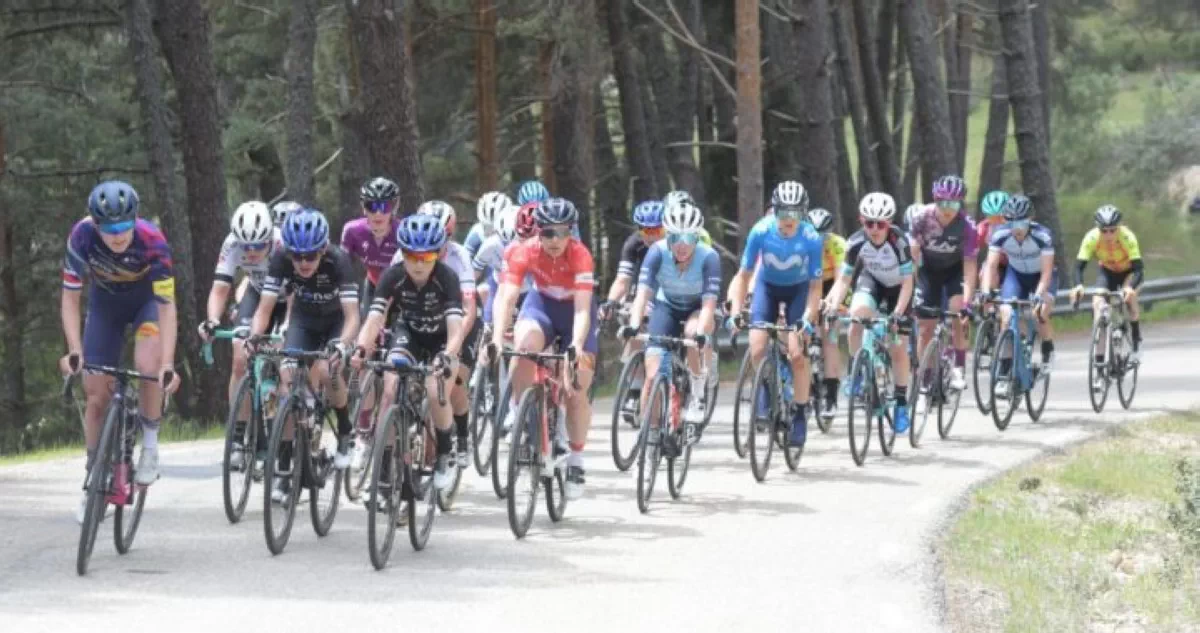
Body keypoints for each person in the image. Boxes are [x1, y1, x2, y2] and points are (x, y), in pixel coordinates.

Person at [60, 181, 181, 522]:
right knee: (95, 393)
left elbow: (167, 305)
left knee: (147, 364)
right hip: (105, 307)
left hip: (146, 306)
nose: (117, 235)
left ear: (135, 219)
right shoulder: (81, 236)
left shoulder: (152, 240)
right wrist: (74, 349)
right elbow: (70, 298)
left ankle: (151, 443)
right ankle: (94, 476)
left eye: (124, 226)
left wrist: (168, 362)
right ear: (95, 223)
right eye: (109, 228)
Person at [482, 197, 597, 499]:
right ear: (537, 233)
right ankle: (521, 413)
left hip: (574, 312)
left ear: (571, 232)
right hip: (541, 306)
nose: (555, 240)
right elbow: (506, 298)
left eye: (562, 232)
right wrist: (495, 338)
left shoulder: (581, 255)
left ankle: (575, 459)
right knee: (523, 347)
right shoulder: (523, 251)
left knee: (577, 389)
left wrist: (575, 345)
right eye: (547, 233)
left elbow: (584, 310)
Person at [251, 208, 360, 503]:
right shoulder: (280, 259)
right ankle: (285, 468)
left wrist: (341, 345)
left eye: (310, 256)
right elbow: (264, 309)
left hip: (336, 322)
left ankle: (345, 429)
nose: (303, 263)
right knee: (287, 382)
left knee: (328, 371)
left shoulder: (339, 261)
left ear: (323, 249)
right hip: (304, 321)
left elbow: (352, 317)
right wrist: (253, 337)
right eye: (297, 256)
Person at [351, 214, 464, 490]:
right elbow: (375, 319)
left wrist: (447, 356)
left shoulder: (447, 278)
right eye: (411, 256)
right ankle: (385, 468)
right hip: (409, 333)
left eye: (426, 258)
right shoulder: (393, 275)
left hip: (441, 340)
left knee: (435, 388)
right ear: (402, 253)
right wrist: (361, 349)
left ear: (437, 254)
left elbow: (456, 330)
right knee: (390, 388)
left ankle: (445, 454)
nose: (417, 264)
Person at [725, 180, 824, 447]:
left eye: (794, 214)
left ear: (803, 214)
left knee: (797, 355)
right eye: (783, 213)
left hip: (799, 291)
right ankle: (765, 389)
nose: (788, 220)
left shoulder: (812, 238)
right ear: (774, 211)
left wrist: (808, 317)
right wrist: (735, 311)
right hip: (767, 288)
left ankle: (801, 413)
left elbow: (816, 287)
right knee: (757, 348)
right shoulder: (760, 231)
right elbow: (743, 276)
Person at [620, 200, 720, 444]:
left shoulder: (709, 257)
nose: (682, 245)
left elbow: (709, 305)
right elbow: (643, 294)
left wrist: (701, 334)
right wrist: (633, 324)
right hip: (667, 306)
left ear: (697, 236)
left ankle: (697, 394)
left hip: (697, 308)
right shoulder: (657, 252)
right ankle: (650, 434)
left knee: (691, 334)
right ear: (668, 236)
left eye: (688, 237)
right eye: (675, 237)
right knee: (653, 374)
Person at [198, 201, 287, 466]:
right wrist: (213, 319)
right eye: (246, 246)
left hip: (289, 298)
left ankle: (285, 426)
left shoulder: (284, 244)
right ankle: (237, 435)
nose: (251, 252)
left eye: (258, 246)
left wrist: (286, 329)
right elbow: (219, 288)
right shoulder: (231, 244)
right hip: (258, 294)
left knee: (285, 359)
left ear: (270, 237)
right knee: (239, 355)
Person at [823, 192, 915, 434]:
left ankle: (902, 403)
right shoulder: (855, 242)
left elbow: (908, 282)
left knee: (898, 348)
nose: (874, 229)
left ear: (889, 223)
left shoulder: (900, 242)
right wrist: (832, 305)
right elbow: (843, 280)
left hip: (899, 289)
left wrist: (896, 313)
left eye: (881, 224)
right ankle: (858, 371)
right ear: (861, 220)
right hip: (872, 281)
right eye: (869, 223)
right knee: (856, 319)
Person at [399, 200, 480, 467]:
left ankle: (463, 436)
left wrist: (452, 348)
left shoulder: (459, 256)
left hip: (459, 325)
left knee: (454, 384)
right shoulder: (403, 256)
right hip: (421, 321)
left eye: (443, 238)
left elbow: (469, 307)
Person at [979, 194, 1057, 393]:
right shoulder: (1000, 235)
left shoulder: (1043, 235)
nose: (1017, 227)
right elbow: (991, 265)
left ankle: (1048, 351)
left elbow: (1047, 271)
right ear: (1006, 220)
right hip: (1017, 276)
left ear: (1030, 219)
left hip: (1041, 276)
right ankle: (1005, 371)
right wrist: (986, 291)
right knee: (1006, 316)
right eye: (1012, 222)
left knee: (1040, 312)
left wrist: (1040, 294)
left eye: (1022, 222)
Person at [908, 175, 978, 391]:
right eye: (942, 203)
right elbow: (912, 260)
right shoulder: (921, 219)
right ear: (935, 201)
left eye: (953, 204)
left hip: (954, 272)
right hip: (928, 272)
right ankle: (924, 376)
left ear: (961, 204)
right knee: (925, 327)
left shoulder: (967, 227)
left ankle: (958, 368)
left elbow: (969, 267)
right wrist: (908, 292)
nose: (947, 209)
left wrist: (967, 302)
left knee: (958, 313)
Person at [1070, 204, 1145, 364]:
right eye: (1104, 230)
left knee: (1129, 298)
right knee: (1098, 304)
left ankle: (1137, 342)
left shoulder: (1127, 237)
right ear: (1098, 229)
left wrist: (1130, 288)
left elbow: (1139, 269)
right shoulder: (1091, 238)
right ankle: (1099, 359)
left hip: (1129, 272)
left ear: (1119, 227)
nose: (1109, 234)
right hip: (1108, 272)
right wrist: (1078, 285)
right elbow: (1078, 266)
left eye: (1113, 230)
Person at [341, 177, 401, 320]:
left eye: (385, 206)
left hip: (402, 291)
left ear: (394, 207)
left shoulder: (403, 231)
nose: (378, 213)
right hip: (373, 286)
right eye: (371, 206)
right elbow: (341, 266)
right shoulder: (352, 231)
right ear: (363, 207)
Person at [807, 207, 847, 419]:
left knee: (830, 338)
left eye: (822, 235)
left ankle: (831, 396)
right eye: (814, 234)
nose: (818, 239)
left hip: (833, 286)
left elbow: (841, 279)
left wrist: (830, 303)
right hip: (810, 285)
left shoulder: (837, 244)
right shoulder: (802, 242)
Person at [465, 191, 512, 260]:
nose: (491, 233)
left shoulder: (515, 231)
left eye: (496, 230)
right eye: (486, 227)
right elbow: (464, 258)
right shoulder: (477, 231)